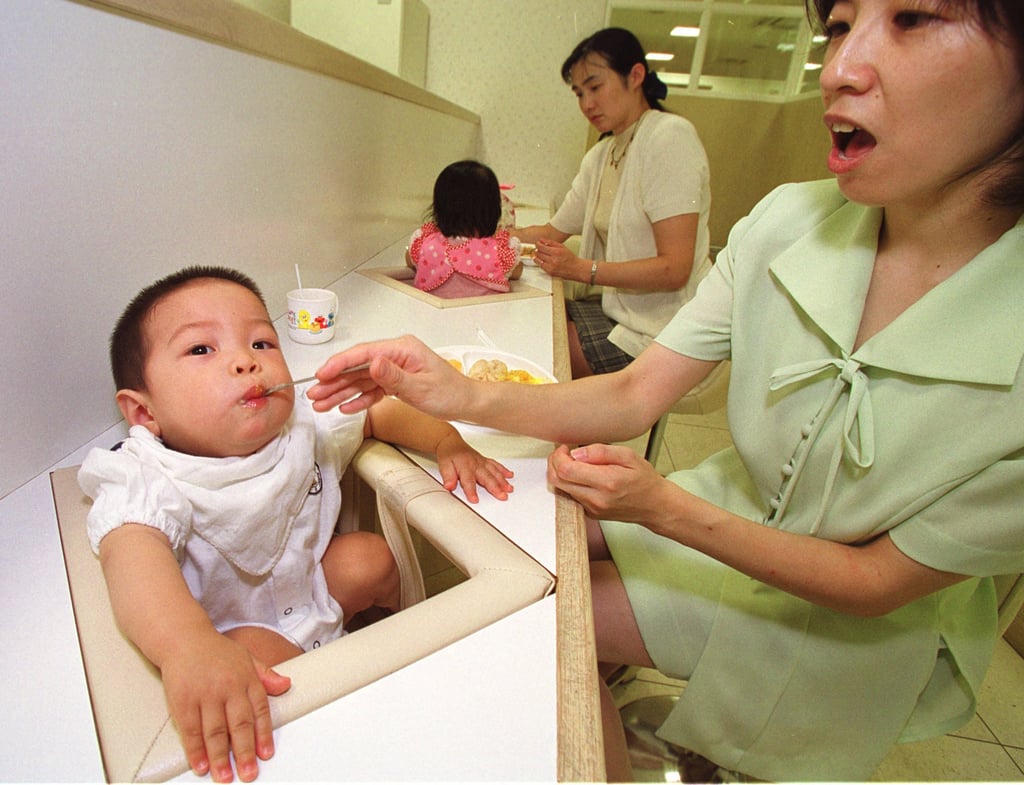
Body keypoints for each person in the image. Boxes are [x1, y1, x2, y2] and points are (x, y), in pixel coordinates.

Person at [306, 0, 1024, 780]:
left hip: (852, 625)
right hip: (735, 504)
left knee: (553, 625)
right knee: (536, 542)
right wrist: (455, 393)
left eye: (916, 18)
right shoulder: (786, 220)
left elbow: (878, 582)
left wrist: (660, 504)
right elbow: (634, 394)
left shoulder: (673, 143)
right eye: (842, 25)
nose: (840, 69)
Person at [78, 266, 514, 784]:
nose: (245, 361)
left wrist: (447, 442)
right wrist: (187, 645)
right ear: (143, 412)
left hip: (313, 600)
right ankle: (353, 729)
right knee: (254, 647)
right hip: (237, 653)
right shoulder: (145, 474)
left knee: (369, 556)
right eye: (201, 349)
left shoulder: (300, 423)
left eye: (261, 342)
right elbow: (132, 555)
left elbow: (378, 415)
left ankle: (402, 649)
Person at [513, 27, 713, 378]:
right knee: (531, 316)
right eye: (579, 93)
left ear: (635, 76)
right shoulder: (602, 154)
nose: (587, 104)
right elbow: (552, 230)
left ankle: (571, 431)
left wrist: (581, 269)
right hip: (619, 311)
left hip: (666, 331)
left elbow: (675, 268)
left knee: (543, 356)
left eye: (595, 86)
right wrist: (486, 235)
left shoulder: (668, 139)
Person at [405, 159, 523, 299]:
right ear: (493, 212)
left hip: (432, 316)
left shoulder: (425, 243)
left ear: (438, 208)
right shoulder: (500, 251)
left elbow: (409, 260)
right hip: (486, 318)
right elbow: (517, 272)